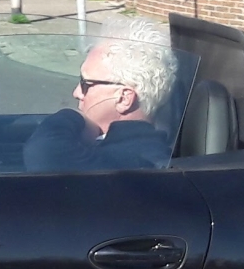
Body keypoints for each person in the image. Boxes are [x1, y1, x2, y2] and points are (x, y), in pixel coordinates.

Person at [22, 37, 177, 172]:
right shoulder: (127, 147)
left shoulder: (132, 162)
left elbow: (44, 152)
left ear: (123, 99)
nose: (76, 93)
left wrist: (73, 116)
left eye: (85, 84)